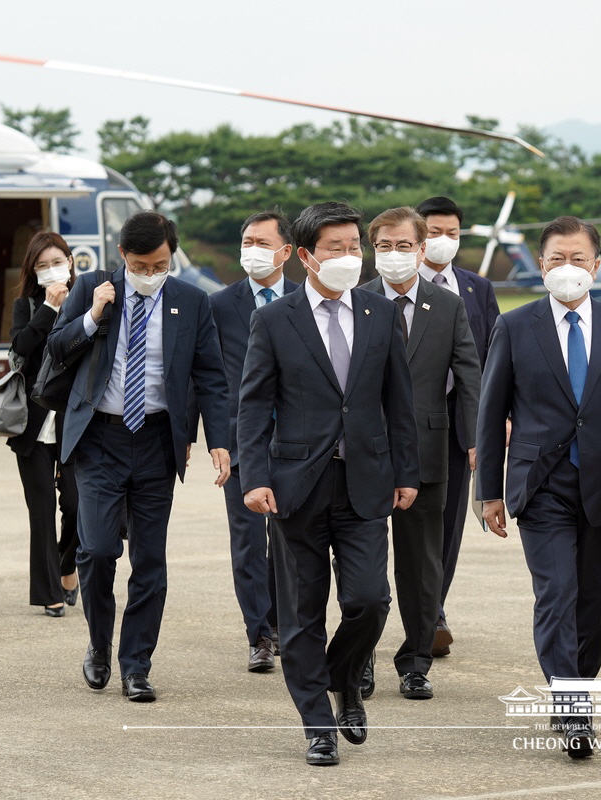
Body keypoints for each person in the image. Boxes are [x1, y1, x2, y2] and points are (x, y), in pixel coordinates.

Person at [476, 216, 601, 759]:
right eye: (556, 259)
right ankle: (572, 705)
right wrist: (490, 490)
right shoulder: (516, 326)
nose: (567, 269)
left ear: (596, 266)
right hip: (542, 485)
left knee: (596, 603)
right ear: (541, 265)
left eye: (577, 259)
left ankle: (575, 685)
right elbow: (490, 415)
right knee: (556, 594)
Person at [238, 201, 419, 767]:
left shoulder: (379, 314)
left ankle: (343, 679)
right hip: (297, 484)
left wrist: (406, 472)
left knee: (369, 599)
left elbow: (399, 400)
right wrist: (255, 477)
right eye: (335, 249)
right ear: (306, 256)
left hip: (366, 480)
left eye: (354, 248)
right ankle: (317, 721)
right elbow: (253, 405)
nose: (348, 258)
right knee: (302, 614)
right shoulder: (274, 319)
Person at [46, 212, 231, 703]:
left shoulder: (191, 301)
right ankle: (98, 644)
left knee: (150, 559)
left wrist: (219, 439)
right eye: (142, 264)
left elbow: (210, 373)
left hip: (156, 441)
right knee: (99, 549)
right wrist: (92, 315)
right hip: (99, 440)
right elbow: (56, 349)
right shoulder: (92, 287)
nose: (152, 272)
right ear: (123, 257)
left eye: (162, 263)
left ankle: (136, 665)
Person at [359, 206, 480, 701]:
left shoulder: (447, 306)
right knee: (362, 568)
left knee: (422, 565)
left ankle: (415, 660)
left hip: (429, 451)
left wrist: (477, 441)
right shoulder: (356, 299)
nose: (393, 255)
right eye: (383, 246)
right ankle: (358, 659)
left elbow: (471, 377)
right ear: (372, 250)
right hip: (363, 454)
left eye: (403, 245)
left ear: (422, 247)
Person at [209, 210, 298, 671]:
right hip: (241, 442)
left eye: (262, 243)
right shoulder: (220, 305)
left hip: (295, 445)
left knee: (286, 541)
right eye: (246, 242)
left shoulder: (306, 301)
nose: (252, 251)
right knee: (246, 543)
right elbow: (208, 378)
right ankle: (258, 634)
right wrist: (212, 439)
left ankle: (284, 623)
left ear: (286, 251)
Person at [415, 196, 499, 658]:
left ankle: (432, 611)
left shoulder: (478, 290)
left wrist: (491, 425)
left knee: (446, 526)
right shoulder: (379, 288)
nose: (442, 242)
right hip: (397, 427)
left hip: (457, 427)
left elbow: (492, 361)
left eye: (452, 233)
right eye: (432, 232)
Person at [8, 231, 79, 618]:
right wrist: (47, 310)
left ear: (70, 262)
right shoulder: (25, 304)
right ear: (33, 272)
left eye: (57, 261)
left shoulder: (87, 300)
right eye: (42, 265)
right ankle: (49, 592)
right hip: (32, 424)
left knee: (76, 503)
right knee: (41, 511)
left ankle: (67, 566)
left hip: (75, 421)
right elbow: (20, 347)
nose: (51, 270)